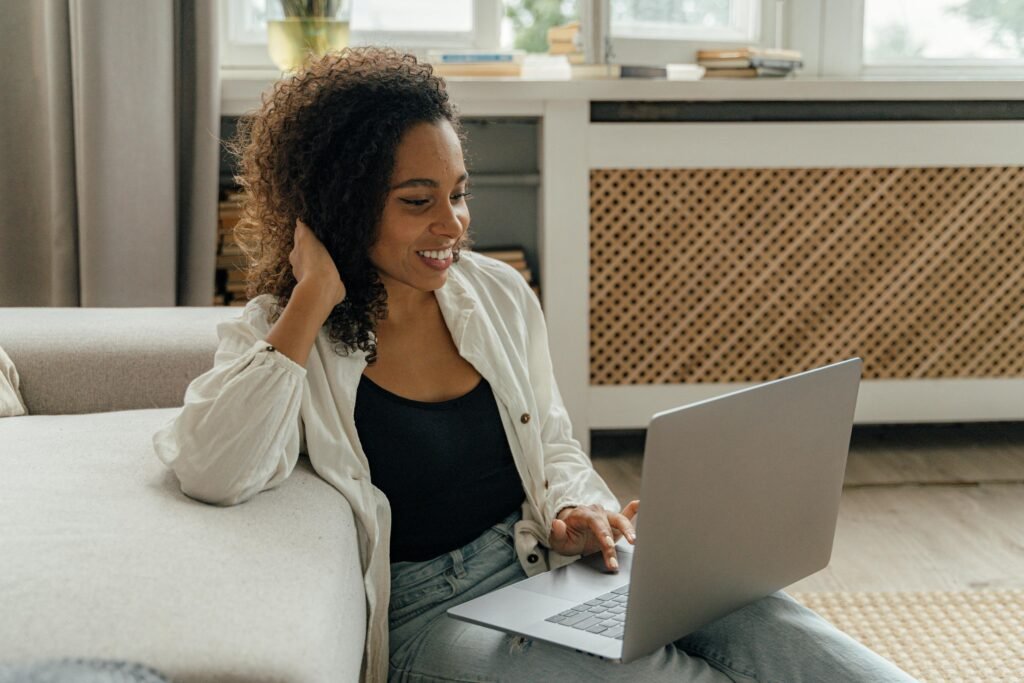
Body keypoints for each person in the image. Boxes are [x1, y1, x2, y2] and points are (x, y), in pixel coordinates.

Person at [154, 47, 916, 683]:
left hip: (544, 562)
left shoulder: (497, 294)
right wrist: (315, 295)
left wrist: (581, 512)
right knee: (633, 672)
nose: (451, 224)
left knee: (756, 611)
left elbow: (553, 444)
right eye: (418, 200)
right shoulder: (284, 336)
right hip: (431, 618)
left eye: (458, 193)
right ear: (343, 204)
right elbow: (213, 467)